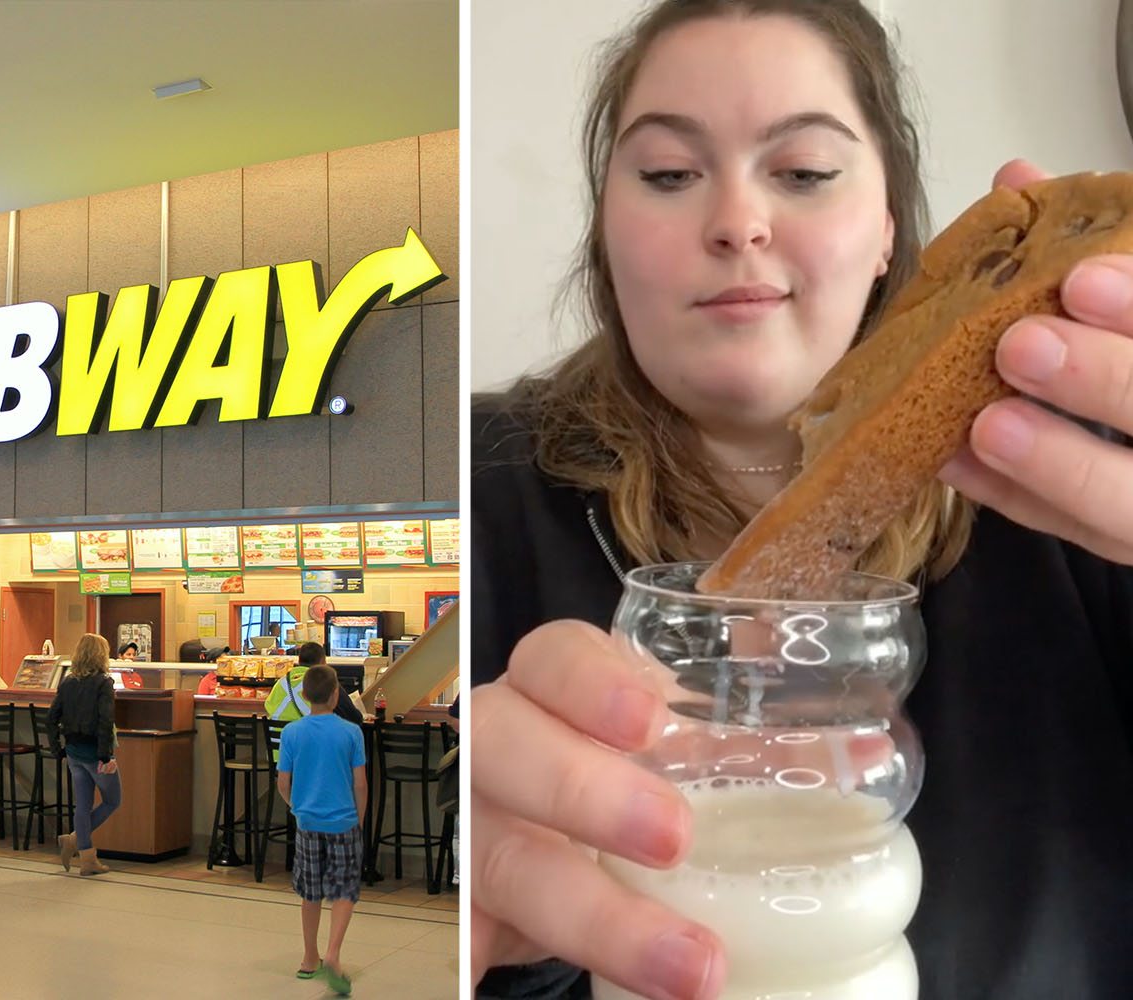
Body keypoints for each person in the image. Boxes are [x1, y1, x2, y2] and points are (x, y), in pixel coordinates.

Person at [471, 1, 1133, 998]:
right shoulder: (481, 492)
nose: (735, 220)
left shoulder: (1083, 492)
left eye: (803, 172)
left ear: (885, 233)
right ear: (604, 231)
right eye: (666, 173)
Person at [276, 664, 366, 997]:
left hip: (307, 822)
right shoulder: (351, 732)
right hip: (344, 820)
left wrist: (295, 807)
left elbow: (283, 781)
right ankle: (333, 953)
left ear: (303, 695)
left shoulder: (292, 733)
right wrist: (360, 818)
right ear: (337, 694)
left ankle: (308, 957)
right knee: (343, 890)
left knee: (310, 889)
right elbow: (360, 783)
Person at [46, 632, 120, 876]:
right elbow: (105, 720)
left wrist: (58, 749)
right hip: (95, 754)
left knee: (83, 805)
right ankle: (77, 844)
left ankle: (86, 857)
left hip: (74, 752)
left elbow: (51, 718)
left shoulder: (67, 682)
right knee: (112, 800)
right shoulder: (104, 683)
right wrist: (105, 756)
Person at [265, 642, 363, 736]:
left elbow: (268, 707)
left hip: (278, 750)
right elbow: (354, 718)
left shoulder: (281, 682)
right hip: (311, 748)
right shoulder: (323, 680)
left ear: (299, 661)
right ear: (323, 662)